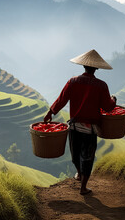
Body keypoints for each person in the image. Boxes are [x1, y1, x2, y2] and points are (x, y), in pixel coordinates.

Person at [44, 49, 117, 195]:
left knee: (75, 154)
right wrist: (114, 100)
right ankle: (83, 187)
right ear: (96, 68)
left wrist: (50, 112)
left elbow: (61, 99)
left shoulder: (73, 81)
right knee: (87, 157)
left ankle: (78, 173)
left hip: (75, 126)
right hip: (90, 129)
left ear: (83, 66)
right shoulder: (102, 85)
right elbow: (108, 107)